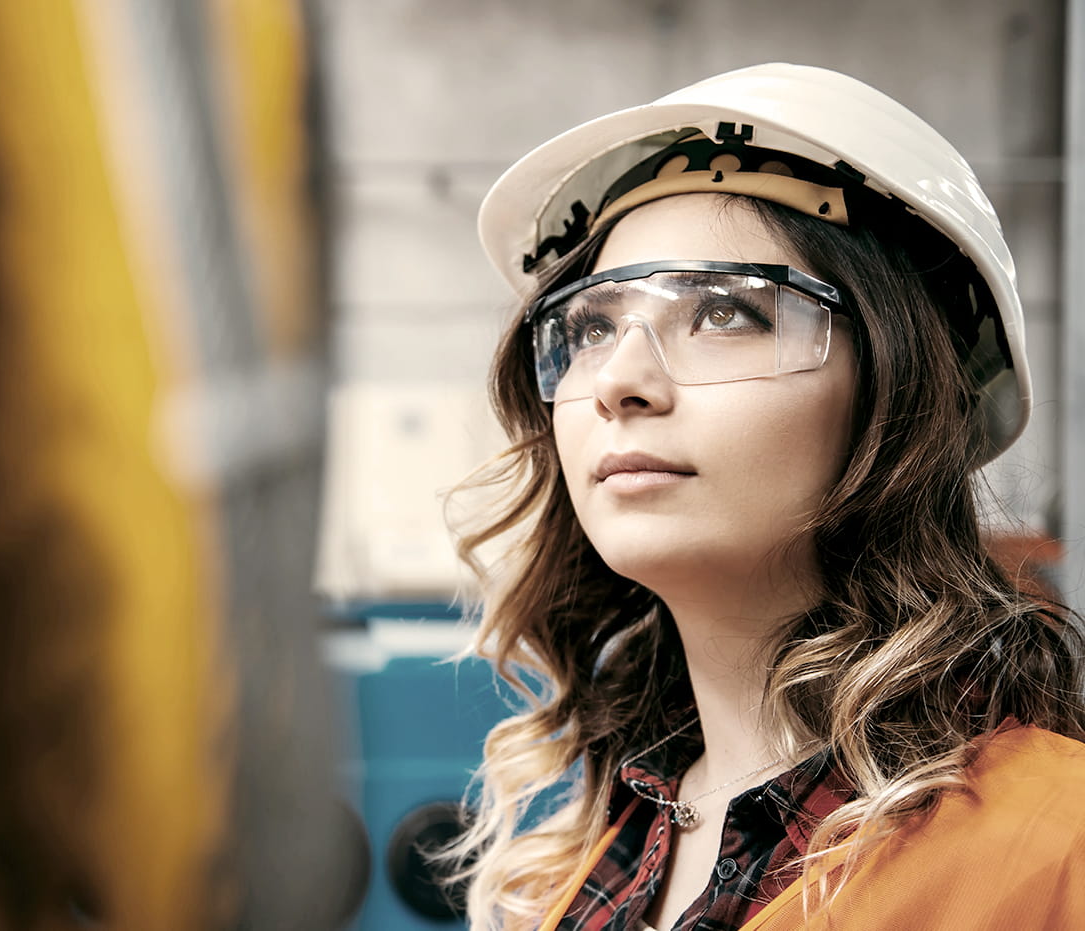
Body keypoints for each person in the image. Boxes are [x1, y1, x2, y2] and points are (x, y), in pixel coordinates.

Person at [446, 63, 1085, 930]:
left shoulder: (1059, 844)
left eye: (724, 312)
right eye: (592, 326)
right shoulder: (588, 854)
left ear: (901, 393)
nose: (619, 381)